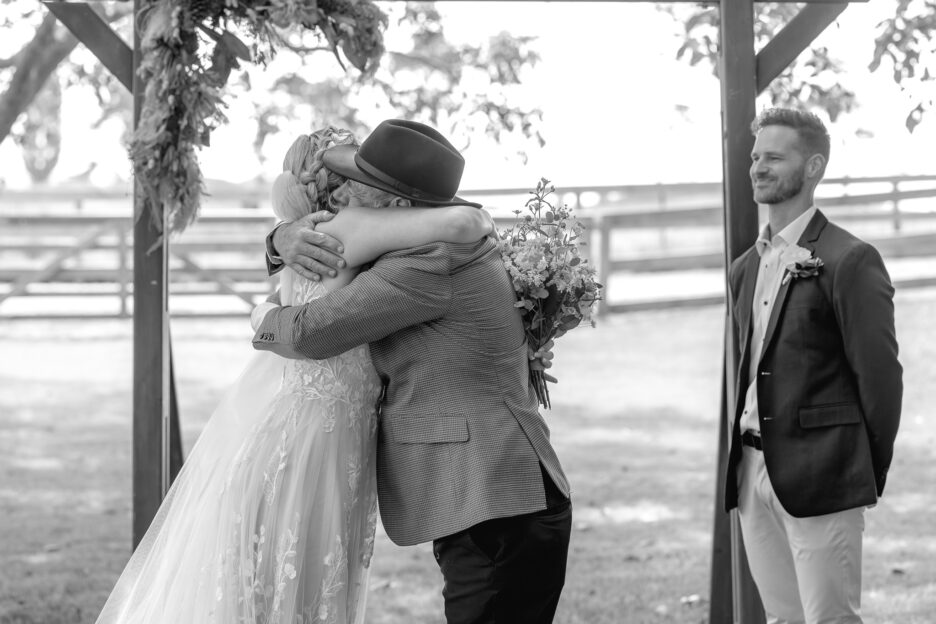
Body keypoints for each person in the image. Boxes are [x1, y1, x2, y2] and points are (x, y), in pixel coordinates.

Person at [94, 126, 496, 624]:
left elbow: (286, 304)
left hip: (306, 424)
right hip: (313, 436)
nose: (360, 182)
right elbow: (464, 224)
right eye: (353, 172)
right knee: (296, 583)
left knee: (279, 583)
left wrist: (267, 280)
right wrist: (474, 212)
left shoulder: (313, 232)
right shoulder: (348, 228)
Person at [254, 119, 573, 624]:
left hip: (497, 508)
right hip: (503, 506)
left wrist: (258, 320)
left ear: (396, 205)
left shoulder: (424, 264)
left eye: (361, 186)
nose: (348, 197)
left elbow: (312, 334)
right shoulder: (444, 244)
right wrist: (278, 240)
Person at [724, 108, 903, 624]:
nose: (758, 167)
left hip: (825, 472)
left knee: (830, 620)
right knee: (783, 620)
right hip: (752, 473)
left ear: (813, 168)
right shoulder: (746, 268)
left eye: (774, 157)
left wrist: (861, 470)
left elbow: (881, 378)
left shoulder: (850, 259)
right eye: (756, 157)